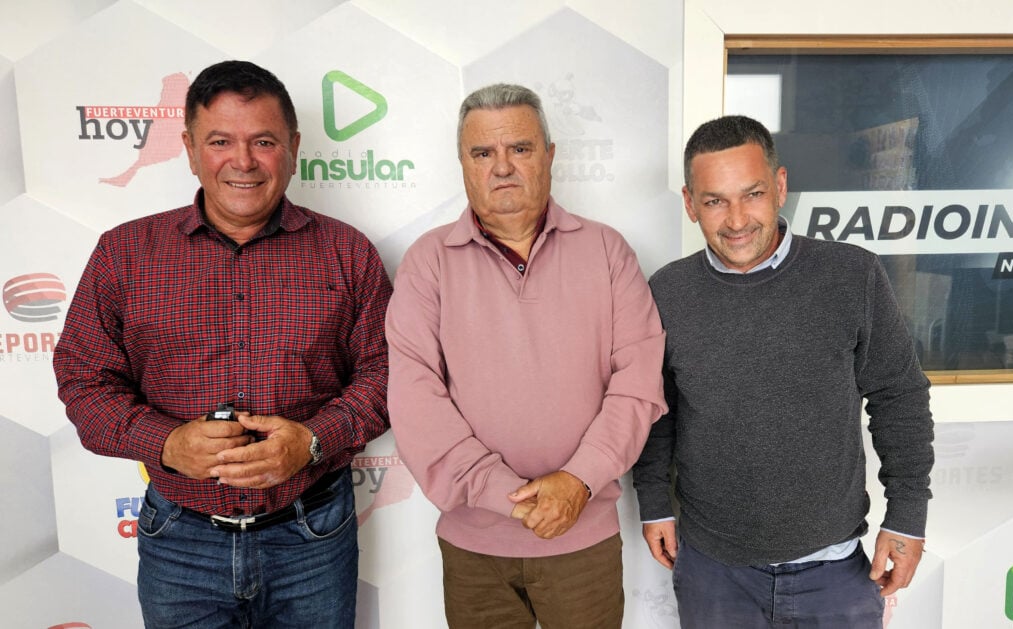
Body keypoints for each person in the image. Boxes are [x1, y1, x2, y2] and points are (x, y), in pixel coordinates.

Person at [53, 60, 391, 629]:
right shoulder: (124, 253)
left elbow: (388, 373)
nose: (243, 161)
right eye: (220, 141)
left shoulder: (347, 252)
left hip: (312, 537)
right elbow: (84, 380)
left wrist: (312, 441)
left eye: (264, 141)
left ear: (293, 148)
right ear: (189, 149)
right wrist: (167, 443)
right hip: (179, 540)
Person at [632, 115, 935, 628]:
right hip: (714, 572)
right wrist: (654, 502)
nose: (736, 220)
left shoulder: (851, 275)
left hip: (835, 572)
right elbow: (658, 411)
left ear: (780, 186)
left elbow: (898, 396)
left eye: (751, 194)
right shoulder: (668, 291)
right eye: (714, 201)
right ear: (689, 203)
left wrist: (907, 517)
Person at [385, 83, 667, 628]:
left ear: (550, 154)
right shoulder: (428, 262)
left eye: (520, 148)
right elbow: (416, 401)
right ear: (463, 163)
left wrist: (578, 481)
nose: (502, 167)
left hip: (582, 542)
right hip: (475, 552)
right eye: (483, 153)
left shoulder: (607, 250)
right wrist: (507, 496)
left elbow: (637, 384)